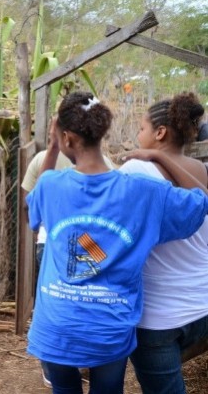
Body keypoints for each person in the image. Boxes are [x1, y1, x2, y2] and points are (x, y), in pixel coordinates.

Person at [26, 91, 208, 394]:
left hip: (56, 325)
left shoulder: (50, 185)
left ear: (67, 139)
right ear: (102, 132)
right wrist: (161, 156)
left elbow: (33, 208)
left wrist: (52, 148)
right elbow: (201, 201)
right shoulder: (142, 191)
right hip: (109, 327)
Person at [119, 92, 208, 394]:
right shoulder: (201, 171)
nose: (137, 136)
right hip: (202, 305)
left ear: (160, 132)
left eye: (142, 129)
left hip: (158, 318)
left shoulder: (135, 170)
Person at [21, 148, 113, 388]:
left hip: (53, 241)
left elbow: (27, 207)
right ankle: (82, 359)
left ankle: (57, 365)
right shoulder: (107, 164)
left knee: (56, 301)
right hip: (87, 241)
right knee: (85, 300)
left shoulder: (43, 160)